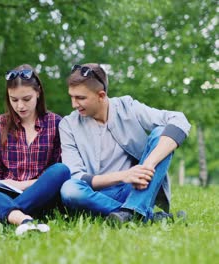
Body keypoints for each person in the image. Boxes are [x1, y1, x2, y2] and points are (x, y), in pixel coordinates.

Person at [59, 63, 191, 226]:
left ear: (101, 95)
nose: (74, 104)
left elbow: (179, 120)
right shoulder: (68, 125)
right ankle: (138, 214)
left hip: (135, 189)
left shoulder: (127, 106)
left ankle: (132, 209)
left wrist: (147, 165)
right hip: (94, 195)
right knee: (69, 189)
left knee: (161, 133)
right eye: (71, 97)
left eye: (80, 98)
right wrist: (124, 175)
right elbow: (76, 175)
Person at [0, 64, 71, 237]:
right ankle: (24, 220)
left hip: (42, 197)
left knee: (62, 170)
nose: (20, 106)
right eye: (14, 100)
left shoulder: (56, 123)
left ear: (38, 93)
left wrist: (21, 185)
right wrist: (6, 184)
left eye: (26, 99)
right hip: (4, 195)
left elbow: (55, 174)